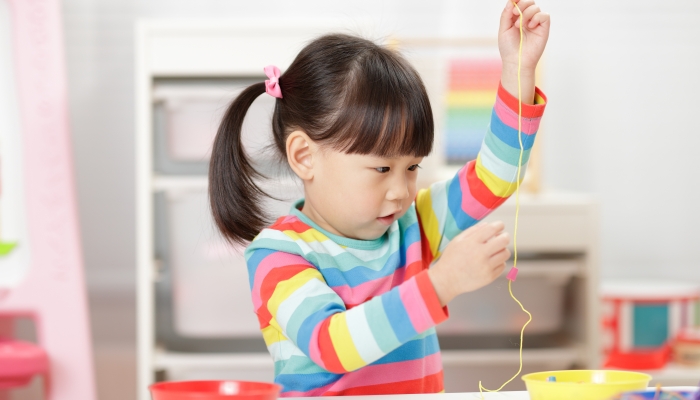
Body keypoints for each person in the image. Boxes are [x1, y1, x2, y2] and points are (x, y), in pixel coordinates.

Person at [209, 0, 549, 395]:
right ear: (304, 156)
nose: (401, 190)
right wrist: (441, 283)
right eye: (382, 169)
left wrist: (517, 69)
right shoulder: (280, 254)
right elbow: (332, 344)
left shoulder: (415, 225)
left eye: (412, 168)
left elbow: (496, 176)